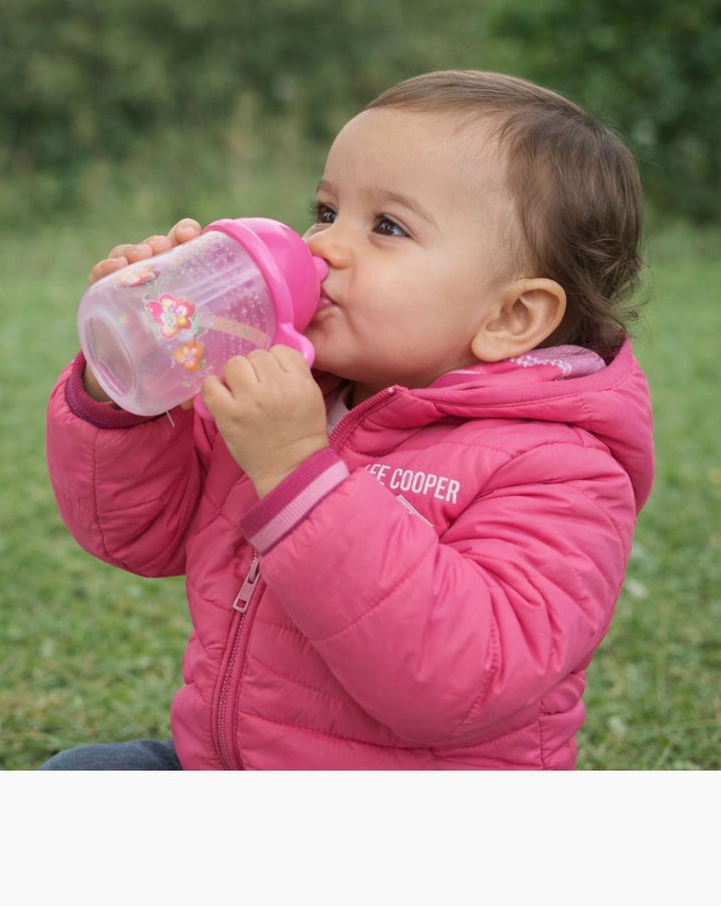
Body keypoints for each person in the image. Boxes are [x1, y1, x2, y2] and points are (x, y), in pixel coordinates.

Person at [42, 70, 655, 770]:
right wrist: (134, 377)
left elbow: (459, 678)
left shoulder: (560, 468)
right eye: (327, 210)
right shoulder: (294, 388)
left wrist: (300, 474)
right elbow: (138, 534)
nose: (323, 246)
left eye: (386, 226)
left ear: (511, 317)